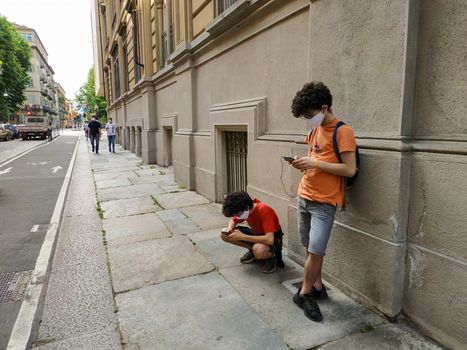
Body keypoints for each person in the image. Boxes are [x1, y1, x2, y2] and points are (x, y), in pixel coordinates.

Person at [289, 81, 357, 322]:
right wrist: (303, 163)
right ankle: (317, 285)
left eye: (310, 115)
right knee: (309, 246)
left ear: (324, 108)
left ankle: (304, 294)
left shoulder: (343, 131)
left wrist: (314, 164)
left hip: (325, 203)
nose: (308, 120)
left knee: (316, 251)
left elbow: (349, 169)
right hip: (304, 195)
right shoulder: (314, 130)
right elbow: (315, 156)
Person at [221, 191, 285, 274]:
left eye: (237, 214)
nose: (236, 216)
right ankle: (253, 251)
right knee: (225, 235)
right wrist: (230, 229)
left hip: (273, 239)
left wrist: (242, 236)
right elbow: (233, 221)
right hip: (257, 234)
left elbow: (270, 239)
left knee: (259, 250)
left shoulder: (264, 210)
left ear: (246, 207)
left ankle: (271, 257)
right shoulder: (245, 211)